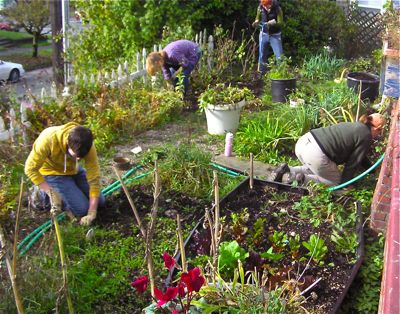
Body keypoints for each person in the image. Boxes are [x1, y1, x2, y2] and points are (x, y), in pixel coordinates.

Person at [25, 122, 105, 226]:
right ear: (67, 142)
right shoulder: (48, 139)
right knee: (82, 210)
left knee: (100, 202)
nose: (78, 159)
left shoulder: (87, 145)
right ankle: (41, 194)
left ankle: (68, 190)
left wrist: (92, 212)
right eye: (75, 156)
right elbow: (30, 169)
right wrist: (50, 192)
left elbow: (94, 177)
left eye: (80, 158)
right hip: (52, 172)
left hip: (73, 170)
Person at [279, 113, 386, 186]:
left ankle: (289, 170)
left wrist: (372, 170)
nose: (379, 135)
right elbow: (353, 163)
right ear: (377, 128)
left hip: (303, 142)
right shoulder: (366, 135)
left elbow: (361, 157)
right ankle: (301, 179)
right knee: (334, 181)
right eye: (380, 131)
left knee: (317, 169)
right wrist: (345, 184)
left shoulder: (357, 126)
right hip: (316, 153)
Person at [252, 0, 284, 75]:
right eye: (264, 5)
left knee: (279, 56)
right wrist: (256, 22)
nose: (265, 7)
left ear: (271, 3)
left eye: (267, 5)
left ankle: (281, 74)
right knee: (262, 55)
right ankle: (261, 74)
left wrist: (273, 23)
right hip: (263, 34)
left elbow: (281, 23)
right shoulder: (260, 8)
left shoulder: (277, 9)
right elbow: (257, 18)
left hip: (275, 35)